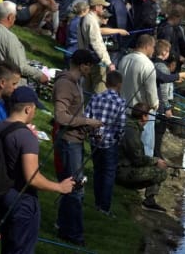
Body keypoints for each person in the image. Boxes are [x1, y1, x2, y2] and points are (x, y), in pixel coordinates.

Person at [0, 86, 74, 253]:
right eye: (35, 109)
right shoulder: (26, 137)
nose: (34, 113)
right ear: (27, 109)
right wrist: (60, 187)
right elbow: (32, 178)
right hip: (22, 203)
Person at [52, 49, 103, 245]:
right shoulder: (65, 84)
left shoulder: (76, 83)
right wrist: (88, 122)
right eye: (90, 65)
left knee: (71, 186)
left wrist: (87, 126)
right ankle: (74, 235)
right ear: (83, 65)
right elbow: (60, 116)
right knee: (76, 189)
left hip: (76, 140)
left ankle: (64, 227)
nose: (91, 69)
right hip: (68, 142)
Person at [84, 71, 125, 216]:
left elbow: (86, 117)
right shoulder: (121, 103)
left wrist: (92, 133)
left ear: (106, 83)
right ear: (119, 85)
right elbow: (121, 126)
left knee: (97, 171)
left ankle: (97, 203)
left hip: (95, 141)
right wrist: (117, 139)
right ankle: (104, 207)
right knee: (108, 174)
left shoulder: (95, 97)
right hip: (110, 144)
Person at [0, 1, 48, 86]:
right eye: (15, 16)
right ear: (10, 17)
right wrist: (40, 75)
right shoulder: (10, 38)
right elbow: (21, 67)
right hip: (11, 88)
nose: (15, 19)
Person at [116, 102, 167, 212]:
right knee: (161, 171)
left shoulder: (129, 124)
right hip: (121, 172)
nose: (148, 118)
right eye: (148, 115)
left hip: (119, 167)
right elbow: (138, 160)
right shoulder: (132, 132)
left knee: (157, 165)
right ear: (143, 117)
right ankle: (149, 201)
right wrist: (156, 161)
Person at [119, 34, 159, 157]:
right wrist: (155, 105)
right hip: (143, 113)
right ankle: (145, 171)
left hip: (125, 110)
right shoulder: (147, 64)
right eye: (153, 47)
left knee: (127, 145)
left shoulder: (124, 59)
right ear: (147, 46)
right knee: (146, 145)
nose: (154, 50)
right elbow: (151, 92)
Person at [153, 40, 185, 158]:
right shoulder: (163, 68)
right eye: (168, 51)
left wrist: (174, 79)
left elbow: (161, 80)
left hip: (153, 103)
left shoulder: (152, 63)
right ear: (164, 52)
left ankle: (155, 154)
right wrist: (167, 107)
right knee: (159, 131)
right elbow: (163, 91)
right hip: (160, 105)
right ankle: (157, 155)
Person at [78, 0, 116, 94]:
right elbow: (97, 44)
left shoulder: (83, 19)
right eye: (102, 7)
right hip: (96, 62)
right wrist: (108, 62)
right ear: (97, 7)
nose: (103, 9)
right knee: (99, 91)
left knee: (86, 91)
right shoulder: (92, 22)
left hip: (86, 59)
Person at [157, 5, 185, 72]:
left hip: (175, 64)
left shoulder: (176, 28)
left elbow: (183, 46)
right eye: (181, 18)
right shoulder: (167, 30)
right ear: (176, 17)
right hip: (168, 65)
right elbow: (163, 49)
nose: (181, 20)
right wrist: (178, 57)